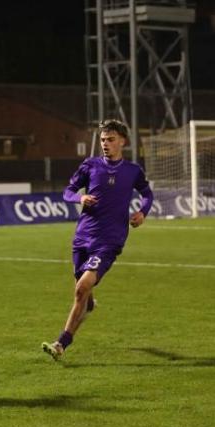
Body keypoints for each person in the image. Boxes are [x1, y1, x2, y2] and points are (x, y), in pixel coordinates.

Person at [41, 119, 154, 361]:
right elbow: (67, 191)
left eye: (111, 139)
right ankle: (89, 305)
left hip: (110, 241)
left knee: (81, 288)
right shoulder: (90, 166)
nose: (105, 144)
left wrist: (142, 212)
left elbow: (147, 193)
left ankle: (61, 343)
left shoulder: (133, 171)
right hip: (82, 238)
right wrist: (79, 199)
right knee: (81, 291)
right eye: (103, 140)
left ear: (122, 141)